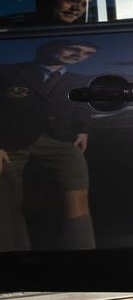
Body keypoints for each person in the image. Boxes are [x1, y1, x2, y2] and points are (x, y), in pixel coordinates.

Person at [0, 40, 98, 251]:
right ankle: (12, 259)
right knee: (6, 203)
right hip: (10, 143)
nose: (78, 54)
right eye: (73, 47)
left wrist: (83, 129)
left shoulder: (77, 79)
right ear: (47, 46)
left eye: (86, 53)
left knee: (76, 192)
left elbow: (82, 106)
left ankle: (82, 255)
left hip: (61, 140)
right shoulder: (9, 71)